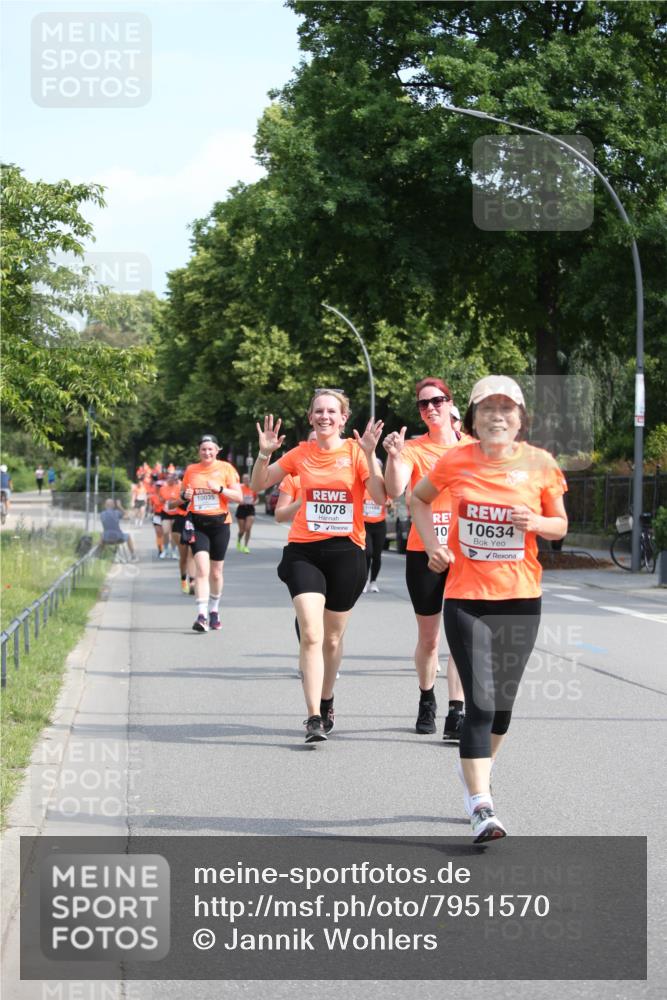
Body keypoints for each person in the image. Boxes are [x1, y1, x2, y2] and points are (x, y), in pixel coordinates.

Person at [411, 375, 568, 842]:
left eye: (507, 409)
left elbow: (559, 525)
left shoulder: (541, 464)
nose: (497, 416)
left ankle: (477, 772)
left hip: (521, 598)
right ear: (474, 417)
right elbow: (418, 501)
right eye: (487, 409)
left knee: (502, 708)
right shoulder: (455, 460)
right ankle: (481, 805)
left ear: (520, 418)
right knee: (478, 705)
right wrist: (436, 545)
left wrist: (535, 521)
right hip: (466, 597)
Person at [251, 390, 384, 743]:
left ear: (343, 418)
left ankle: (327, 699)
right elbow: (257, 484)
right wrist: (265, 453)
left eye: (332, 411)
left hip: (347, 552)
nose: (324, 416)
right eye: (318, 411)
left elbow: (383, 498)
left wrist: (371, 454)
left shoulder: (356, 453)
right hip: (304, 552)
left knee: (333, 637)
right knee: (311, 633)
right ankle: (312, 717)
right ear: (311, 418)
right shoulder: (300, 454)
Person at [383, 377, 466, 739]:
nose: (430, 408)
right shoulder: (414, 449)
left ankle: (457, 711)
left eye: (437, 401)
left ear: (450, 404)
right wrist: (394, 456)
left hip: (467, 553)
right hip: (425, 552)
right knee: (430, 639)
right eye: (423, 404)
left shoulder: (475, 448)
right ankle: (427, 697)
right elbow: (396, 489)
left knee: (462, 636)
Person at [181, 434, 243, 632]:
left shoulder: (226, 469)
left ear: (217, 450)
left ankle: (214, 610)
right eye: (203, 449)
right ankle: (201, 615)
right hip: (198, 524)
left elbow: (239, 497)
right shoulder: (191, 470)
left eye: (210, 449)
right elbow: (183, 496)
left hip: (220, 524)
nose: (207, 452)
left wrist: (221, 489)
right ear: (199, 451)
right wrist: (185, 496)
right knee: (202, 569)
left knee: (216, 572)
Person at [361, 470, 391, 593]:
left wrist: (389, 504)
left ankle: (373, 581)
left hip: (379, 525)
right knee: (367, 553)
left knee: (376, 555)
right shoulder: (364, 488)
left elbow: (390, 503)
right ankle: (365, 581)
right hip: (365, 525)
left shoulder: (383, 490)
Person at [235, 473, 258, 553]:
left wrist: (255, 502)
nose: (246, 480)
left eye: (247, 479)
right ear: (242, 480)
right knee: (242, 530)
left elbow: (256, 498)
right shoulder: (240, 487)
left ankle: (245, 546)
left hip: (250, 509)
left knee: (248, 528)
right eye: (244, 479)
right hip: (241, 508)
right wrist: (239, 501)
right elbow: (235, 497)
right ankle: (238, 540)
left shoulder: (253, 488)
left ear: (249, 479)